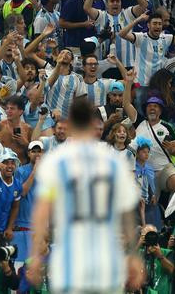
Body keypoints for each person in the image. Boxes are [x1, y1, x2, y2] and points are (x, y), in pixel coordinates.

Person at [27, 98, 143, 292]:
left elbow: (41, 211)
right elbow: (126, 213)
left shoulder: (57, 161)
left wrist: (36, 255)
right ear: (93, 125)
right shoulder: (113, 161)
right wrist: (133, 255)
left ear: (70, 124)